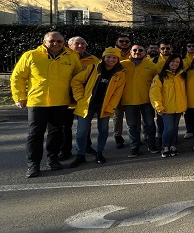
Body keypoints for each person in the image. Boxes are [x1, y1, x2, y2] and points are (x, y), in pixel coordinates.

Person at [11, 31, 82, 178]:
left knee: (55, 133)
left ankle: (53, 160)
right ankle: (33, 165)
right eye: (52, 41)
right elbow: (18, 77)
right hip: (37, 102)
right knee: (35, 134)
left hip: (61, 101)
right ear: (44, 42)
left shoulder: (71, 57)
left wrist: (77, 98)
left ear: (64, 42)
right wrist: (19, 97)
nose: (55, 44)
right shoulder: (30, 56)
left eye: (59, 41)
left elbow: (78, 78)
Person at [68, 48, 126, 167]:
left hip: (104, 106)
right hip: (87, 105)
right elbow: (76, 81)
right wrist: (79, 97)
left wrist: (111, 107)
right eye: (108, 57)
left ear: (118, 59)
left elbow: (117, 93)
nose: (111, 60)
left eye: (114, 57)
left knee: (103, 130)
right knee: (81, 132)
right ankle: (80, 154)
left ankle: (99, 152)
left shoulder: (120, 73)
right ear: (104, 57)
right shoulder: (92, 68)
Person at [60, 36, 99, 160]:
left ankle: (86, 146)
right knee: (65, 125)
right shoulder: (63, 57)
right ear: (69, 45)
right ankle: (65, 150)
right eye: (77, 44)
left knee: (84, 125)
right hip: (65, 96)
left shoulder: (93, 60)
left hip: (84, 98)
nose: (81, 46)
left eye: (83, 43)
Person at [120, 44, 159, 157]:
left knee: (150, 124)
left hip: (146, 100)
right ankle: (134, 146)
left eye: (140, 50)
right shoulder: (122, 65)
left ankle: (151, 144)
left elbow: (157, 83)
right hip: (129, 101)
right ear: (130, 52)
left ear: (145, 52)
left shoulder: (152, 65)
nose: (137, 52)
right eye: (135, 50)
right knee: (132, 125)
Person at [150, 54, 187, 158]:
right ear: (168, 62)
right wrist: (158, 106)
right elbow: (154, 93)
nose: (175, 64)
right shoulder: (160, 77)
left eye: (177, 62)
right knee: (168, 128)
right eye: (173, 61)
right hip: (166, 108)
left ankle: (173, 146)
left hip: (178, 107)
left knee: (175, 128)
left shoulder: (182, 76)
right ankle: (165, 146)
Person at [112, 34, 132, 148]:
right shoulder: (112, 53)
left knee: (132, 115)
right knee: (117, 115)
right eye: (121, 41)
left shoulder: (134, 52)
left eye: (126, 41)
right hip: (116, 88)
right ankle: (117, 136)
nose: (124, 43)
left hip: (130, 87)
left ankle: (136, 136)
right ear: (117, 42)